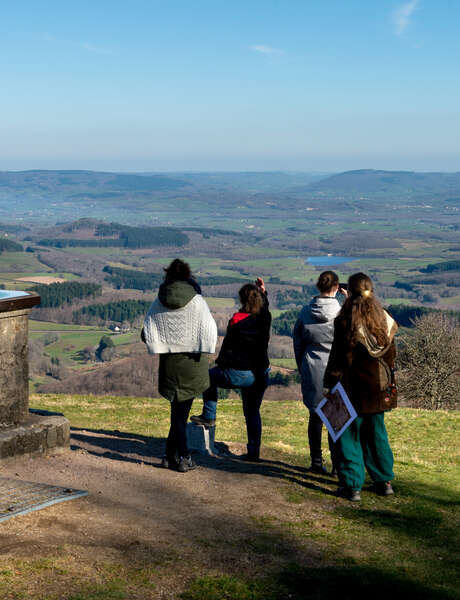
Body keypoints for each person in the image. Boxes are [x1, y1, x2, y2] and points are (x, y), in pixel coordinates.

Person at [323, 272, 398, 501]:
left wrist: (329, 384)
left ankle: (352, 485)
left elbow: (338, 358)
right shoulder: (385, 318)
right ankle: (384, 481)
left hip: (352, 387)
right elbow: (391, 357)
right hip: (378, 388)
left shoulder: (346, 321)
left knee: (349, 436)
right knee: (377, 435)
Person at [142, 259, 217, 472]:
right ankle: (183, 457)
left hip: (170, 366)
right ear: (188, 276)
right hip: (193, 365)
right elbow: (210, 331)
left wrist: (165, 340)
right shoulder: (197, 302)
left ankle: (168, 455)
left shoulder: (158, 301)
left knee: (178, 413)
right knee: (180, 414)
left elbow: (145, 333)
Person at [191, 278, 271, 461]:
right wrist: (262, 293)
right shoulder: (265, 318)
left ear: (242, 301)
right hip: (260, 373)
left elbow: (228, 348)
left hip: (240, 373)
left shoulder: (236, 320)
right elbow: (264, 309)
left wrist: (221, 364)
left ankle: (208, 416)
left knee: (208, 377)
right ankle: (254, 451)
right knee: (252, 412)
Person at [293, 271, 347, 474]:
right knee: (336, 419)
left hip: (312, 367)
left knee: (315, 416)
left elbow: (298, 344)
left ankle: (316, 462)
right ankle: (337, 465)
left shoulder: (305, 312)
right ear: (336, 288)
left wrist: (303, 367)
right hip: (336, 371)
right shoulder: (341, 313)